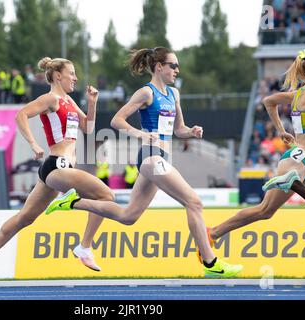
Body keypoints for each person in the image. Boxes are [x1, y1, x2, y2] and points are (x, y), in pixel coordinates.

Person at [45, 47, 243, 278]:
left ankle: (73, 202)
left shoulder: (174, 94)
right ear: (159, 67)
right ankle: (210, 263)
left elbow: (178, 129)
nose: (178, 70)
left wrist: (192, 131)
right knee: (194, 202)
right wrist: (141, 134)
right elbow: (117, 120)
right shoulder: (146, 93)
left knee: (128, 216)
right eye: (173, 65)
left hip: (163, 155)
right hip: (151, 157)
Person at [0, 57, 114, 287]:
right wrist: (33, 144)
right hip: (56, 165)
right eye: (72, 73)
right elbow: (21, 115)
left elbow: (88, 128)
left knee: (25, 218)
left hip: (60, 170)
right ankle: (84, 246)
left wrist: (93, 102)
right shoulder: (50, 99)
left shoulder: (69, 101)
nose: (76, 78)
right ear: (58, 75)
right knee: (106, 196)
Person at [207, 49, 305, 247]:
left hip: (301, 159)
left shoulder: (299, 94)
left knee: (265, 211)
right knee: (264, 210)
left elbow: (269, 101)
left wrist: (281, 130)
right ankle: (213, 232)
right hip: (298, 161)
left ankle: (214, 233)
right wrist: (281, 130)